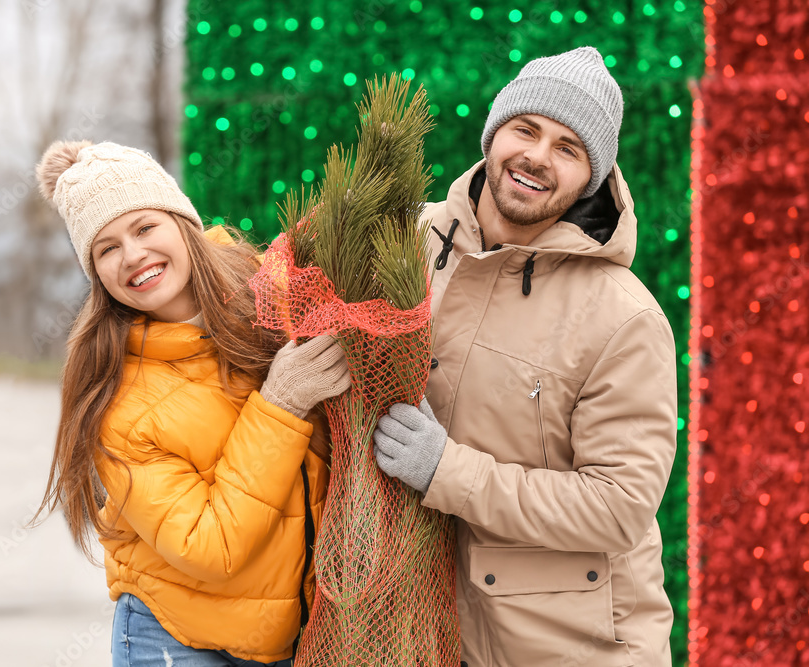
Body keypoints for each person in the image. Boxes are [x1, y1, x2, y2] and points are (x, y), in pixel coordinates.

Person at [373, 47, 677, 665]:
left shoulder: (624, 317)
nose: (537, 156)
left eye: (568, 148)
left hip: (567, 645)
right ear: (495, 132)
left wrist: (445, 472)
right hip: (421, 628)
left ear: (591, 176)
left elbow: (617, 507)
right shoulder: (405, 240)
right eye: (527, 129)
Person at [33, 140, 350, 667]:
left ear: (183, 223)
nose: (132, 255)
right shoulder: (117, 403)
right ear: (97, 275)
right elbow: (212, 545)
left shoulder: (266, 299)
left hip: (292, 634)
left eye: (143, 228)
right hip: (179, 640)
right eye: (106, 248)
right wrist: (281, 404)